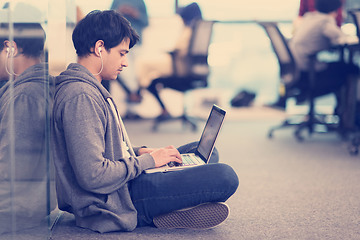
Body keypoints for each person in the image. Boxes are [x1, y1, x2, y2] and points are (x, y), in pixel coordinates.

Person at [52, 10, 239, 233]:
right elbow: (94, 177)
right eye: (122, 53)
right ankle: (153, 213)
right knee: (225, 176)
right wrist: (149, 162)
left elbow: (103, 150)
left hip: (123, 184)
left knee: (202, 153)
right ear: (99, 48)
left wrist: (139, 152)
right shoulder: (80, 97)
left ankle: (173, 204)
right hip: (117, 200)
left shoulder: (88, 88)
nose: (126, 62)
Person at [0, 2, 57, 234]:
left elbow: (11, 171)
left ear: (11, 48)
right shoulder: (29, 88)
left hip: (12, 210)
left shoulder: (25, 96)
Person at [289, 0, 358, 115]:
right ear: (336, 9)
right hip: (309, 73)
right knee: (351, 69)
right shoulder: (325, 21)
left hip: (296, 70)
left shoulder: (309, 18)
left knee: (341, 67)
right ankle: (349, 115)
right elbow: (341, 38)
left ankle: (343, 112)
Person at [138, 2, 203, 119]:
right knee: (152, 77)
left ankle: (137, 94)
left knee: (144, 65)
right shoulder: (200, 30)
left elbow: (180, 50)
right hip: (190, 69)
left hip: (180, 68)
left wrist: (170, 51)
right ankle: (146, 96)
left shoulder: (189, 30)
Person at [102, 0, 148, 108]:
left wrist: (134, 13)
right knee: (124, 73)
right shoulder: (117, 1)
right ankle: (129, 109)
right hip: (119, 41)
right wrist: (120, 12)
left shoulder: (140, 2)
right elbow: (109, 18)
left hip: (137, 43)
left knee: (136, 75)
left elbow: (146, 22)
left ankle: (134, 110)